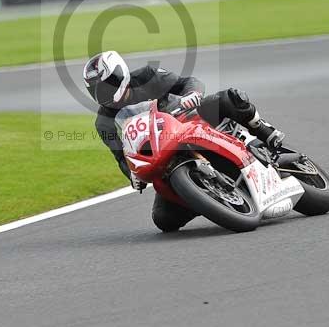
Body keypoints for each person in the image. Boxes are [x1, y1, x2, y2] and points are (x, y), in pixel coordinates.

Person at [83, 50, 285, 232]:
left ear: (120, 75)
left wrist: (192, 95)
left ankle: (264, 131)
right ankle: (205, 199)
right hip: (161, 154)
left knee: (228, 98)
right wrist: (132, 176)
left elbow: (186, 82)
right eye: (97, 90)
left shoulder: (147, 75)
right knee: (163, 220)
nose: (103, 94)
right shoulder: (104, 123)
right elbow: (121, 157)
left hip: (186, 120)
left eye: (106, 86)